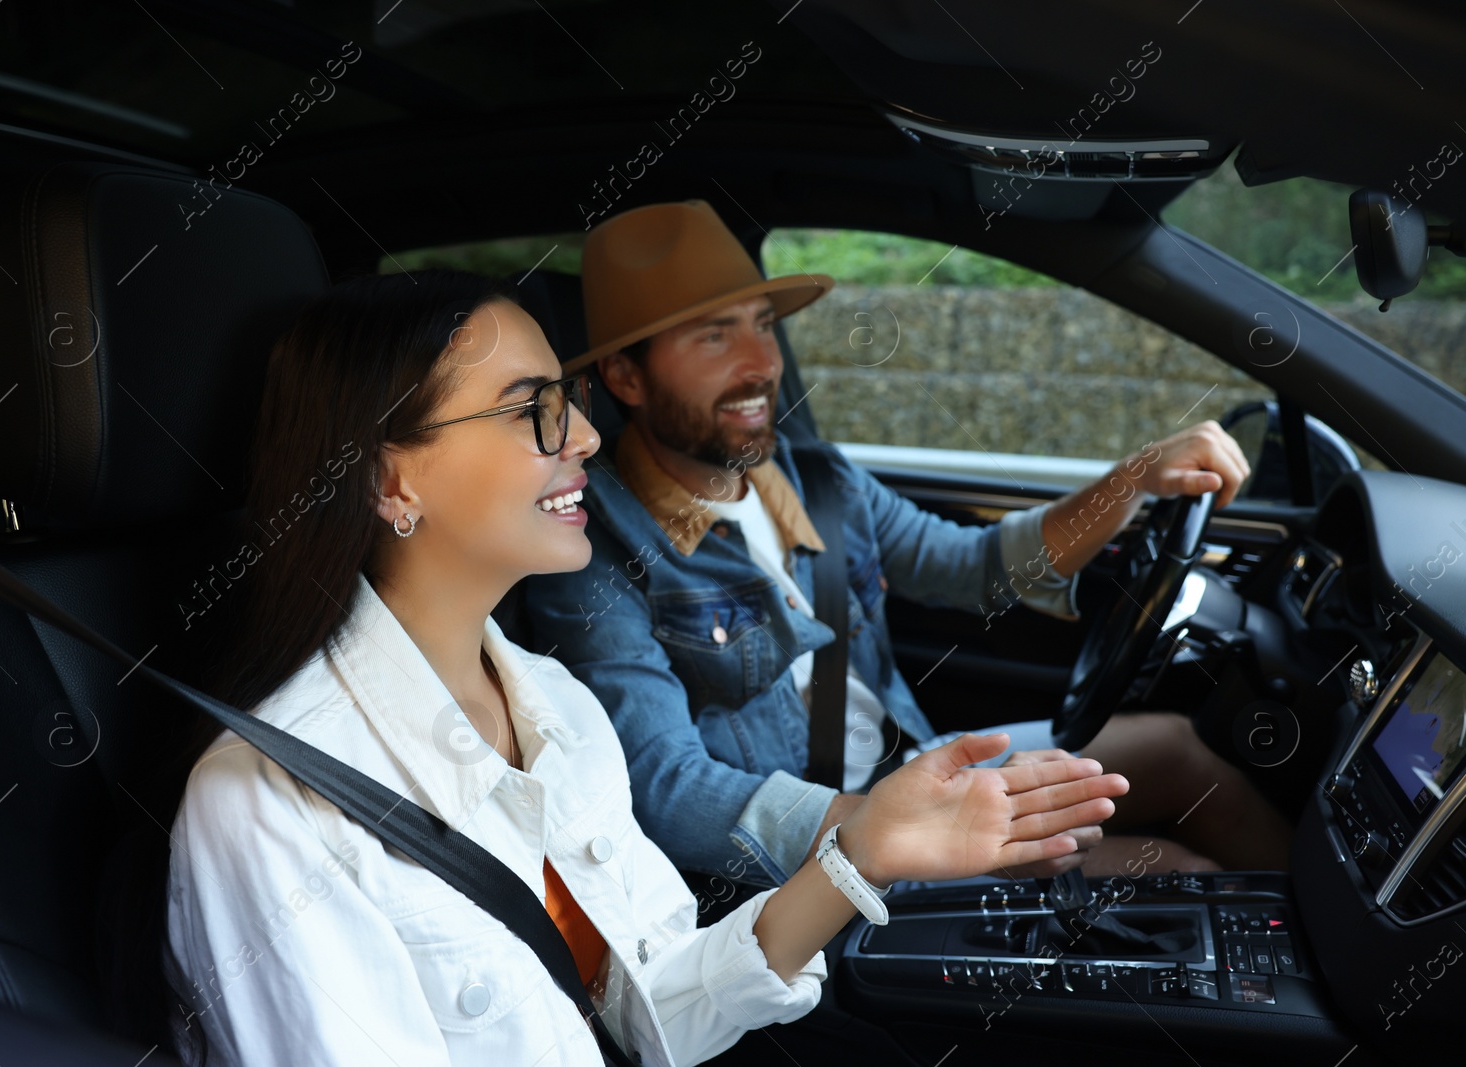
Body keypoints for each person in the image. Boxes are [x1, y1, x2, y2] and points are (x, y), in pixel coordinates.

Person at [163, 270, 1128, 1066]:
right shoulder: (271, 803)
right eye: (530, 411)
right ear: (390, 480)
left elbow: (656, 1005)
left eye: (566, 401)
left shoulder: (559, 709)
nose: (581, 437)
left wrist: (862, 848)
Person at [523, 199, 1294, 892]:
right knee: (1188, 880)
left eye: (763, 324)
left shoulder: (816, 480)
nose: (763, 363)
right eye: (715, 336)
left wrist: (1130, 480)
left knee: (1179, 749)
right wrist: (905, 827)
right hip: (836, 863)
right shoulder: (592, 555)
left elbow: (983, 571)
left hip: (918, 768)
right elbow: (668, 789)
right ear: (625, 377)